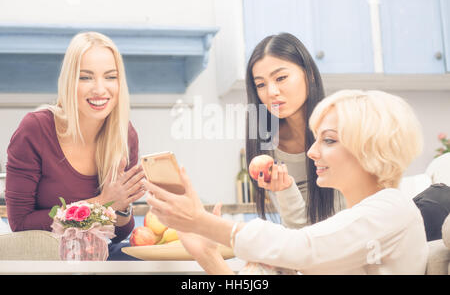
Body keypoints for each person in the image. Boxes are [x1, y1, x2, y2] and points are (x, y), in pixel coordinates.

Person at [145, 89, 429, 274]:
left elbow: (303, 247)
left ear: (371, 148)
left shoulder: (391, 208)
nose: (311, 151)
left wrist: (202, 222)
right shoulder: (363, 217)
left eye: (328, 140)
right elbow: (305, 247)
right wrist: (209, 257)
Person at [5, 32, 146, 260]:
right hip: (49, 261)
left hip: (96, 255)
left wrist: (120, 206)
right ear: (70, 81)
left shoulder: (124, 135)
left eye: (110, 77)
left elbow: (118, 234)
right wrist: (102, 202)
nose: (100, 89)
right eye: (85, 77)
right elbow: (20, 224)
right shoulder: (36, 129)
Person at [244, 32, 345, 228]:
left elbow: (342, 226)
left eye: (281, 78)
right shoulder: (266, 144)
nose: (272, 92)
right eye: (261, 84)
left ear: (310, 74)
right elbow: (300, 231)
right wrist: (285, 189)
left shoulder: (342, 129)